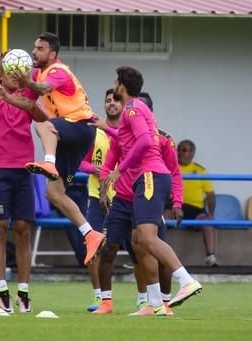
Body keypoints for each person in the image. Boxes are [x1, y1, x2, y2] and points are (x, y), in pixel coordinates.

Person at [104, 66, 201, 316]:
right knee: (138, 241)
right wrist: (104, 128)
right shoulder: (137, 108)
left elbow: (145, 141)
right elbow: (130, 138)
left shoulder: (133, 108)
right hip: (147, 178)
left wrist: (119, 170)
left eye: (116, 81)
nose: (114, 84)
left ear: (122, 86)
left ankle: (186, 280)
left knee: (147, 238)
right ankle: (155, 304)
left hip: (149, 176)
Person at [5, 32, 106, 266]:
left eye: (40, 48)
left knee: (44, 126)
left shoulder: (57, 71)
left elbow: (41, 88)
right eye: (34, 47)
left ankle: (48, 161)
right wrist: (6, 96)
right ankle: (90, 234)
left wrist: (27, 81)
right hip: (70, 136)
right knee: (54, 193)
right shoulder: (38, 72)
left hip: (80, 128)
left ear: (52, 54)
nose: (33, 52)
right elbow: (30, 102)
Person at [93, 91, 183, 315]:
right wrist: (104, 192)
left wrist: (177, 202)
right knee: (108, 250)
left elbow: (174, 172)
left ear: (148, 114)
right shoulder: (122, 137)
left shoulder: (163, 139)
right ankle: (106, 302)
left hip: (148, 199)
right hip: (122, 200)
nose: (130, 112)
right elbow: (107, 166)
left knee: (151, 250)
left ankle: (164, 302)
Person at [0, 52, 48, 313]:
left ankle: (24, 292)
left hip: (24, 172)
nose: (16, 78)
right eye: (11, 73)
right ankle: (1, 290)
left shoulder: (26, 99)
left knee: (23, 231)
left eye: (20, 73)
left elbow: (43, 119)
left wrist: (20, 92)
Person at [78, 89, 121, 311]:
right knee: (92, 247)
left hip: (124, 198)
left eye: (115, 100)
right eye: (107, 100)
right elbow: (80, 162)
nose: (111, 103)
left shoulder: (129, 130)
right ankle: (98, 297)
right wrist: (93, 168)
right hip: (96, 197)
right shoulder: (94, 132)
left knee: (138, 248)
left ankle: (145, 298)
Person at [176, 139, 218, 267]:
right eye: (179, 150)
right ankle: (157, 259)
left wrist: (210, 213)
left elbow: (210, 195)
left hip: (196, 209)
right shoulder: (170, 168)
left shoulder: (200, 171)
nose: (180, 153)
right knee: (159, 220)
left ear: (192, 153)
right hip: (176, 207)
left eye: (184, 150)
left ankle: (210, 257)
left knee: (207, 221)